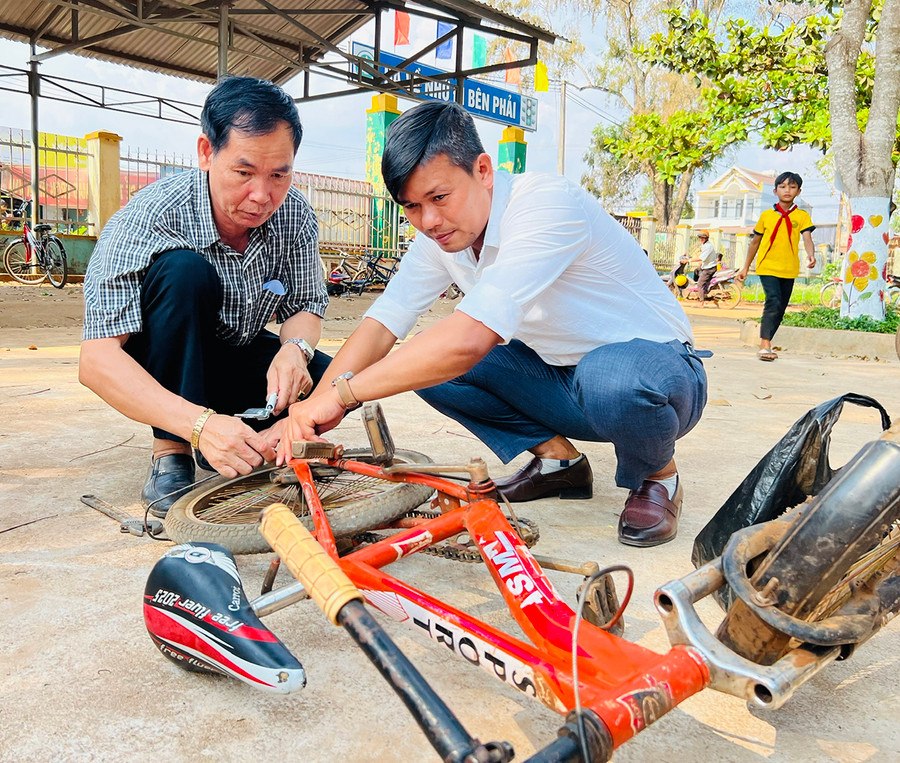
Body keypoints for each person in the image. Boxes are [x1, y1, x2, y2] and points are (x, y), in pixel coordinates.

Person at [280, 101, 708, 548]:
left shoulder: (545, 203)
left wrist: (345, 395)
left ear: (483, 170)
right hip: (561, 379)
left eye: (439, 198)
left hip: (656, 376)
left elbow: (467, 340)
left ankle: (659, 476)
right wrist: (310, 410)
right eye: (412, 206)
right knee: (424, 361)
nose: (428, 221)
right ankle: (560, 465)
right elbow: (384, 323)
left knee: (608, 376)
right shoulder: (441, 238)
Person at [79, 76, 330, 518]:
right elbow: (96, 360)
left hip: (231, 357)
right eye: (244, 171)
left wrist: (295, 349)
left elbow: (305, 306)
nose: (262, 195)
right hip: (166, 367)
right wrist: (199, 425)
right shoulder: (149, 218)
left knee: (331, 376)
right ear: (206, 153)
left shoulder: (294, 214)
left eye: (280, 174)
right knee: (185, 273)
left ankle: (273, 439)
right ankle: (171, 450)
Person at [737, 172, 815, 361]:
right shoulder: (766, 216)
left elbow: (807, 238)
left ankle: (767, 341)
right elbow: (755, 243)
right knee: (773, 301)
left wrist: (811, 255)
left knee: (780, 307)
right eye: (782, 186)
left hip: (789, 269)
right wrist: (745, 267)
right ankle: (765, 344)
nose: (787, 190)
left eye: (792, 187)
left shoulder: (802, 216)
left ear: (798, 191)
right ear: (775, 190)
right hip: (767, 266)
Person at [692, 231, 718, 307]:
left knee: (700, 284)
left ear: (706, 238)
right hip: (707, 266)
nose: (701, 239)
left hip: (709, 268)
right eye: (700, 237)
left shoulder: (708, 246)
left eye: (703, 237)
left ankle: (702, 302)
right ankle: (703, 293)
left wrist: (689, 260)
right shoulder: (705, 245)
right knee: (696, 271)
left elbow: (701, 258)